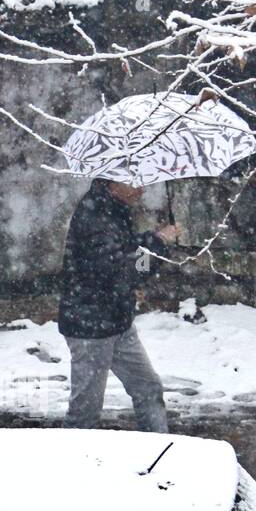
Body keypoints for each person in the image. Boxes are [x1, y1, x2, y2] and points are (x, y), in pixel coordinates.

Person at [58, 178, 178, 433]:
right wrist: (158, 244)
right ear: (113, 183)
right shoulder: (96, 219)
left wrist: (152, 238)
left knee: (148, 388)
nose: (142, 189)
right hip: (91, 328)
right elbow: (125, 272)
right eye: (135, 182)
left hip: (117, 320)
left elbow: (125, 248)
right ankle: (71, 464)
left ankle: (160, 451)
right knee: (85, 414)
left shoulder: (110, 207)